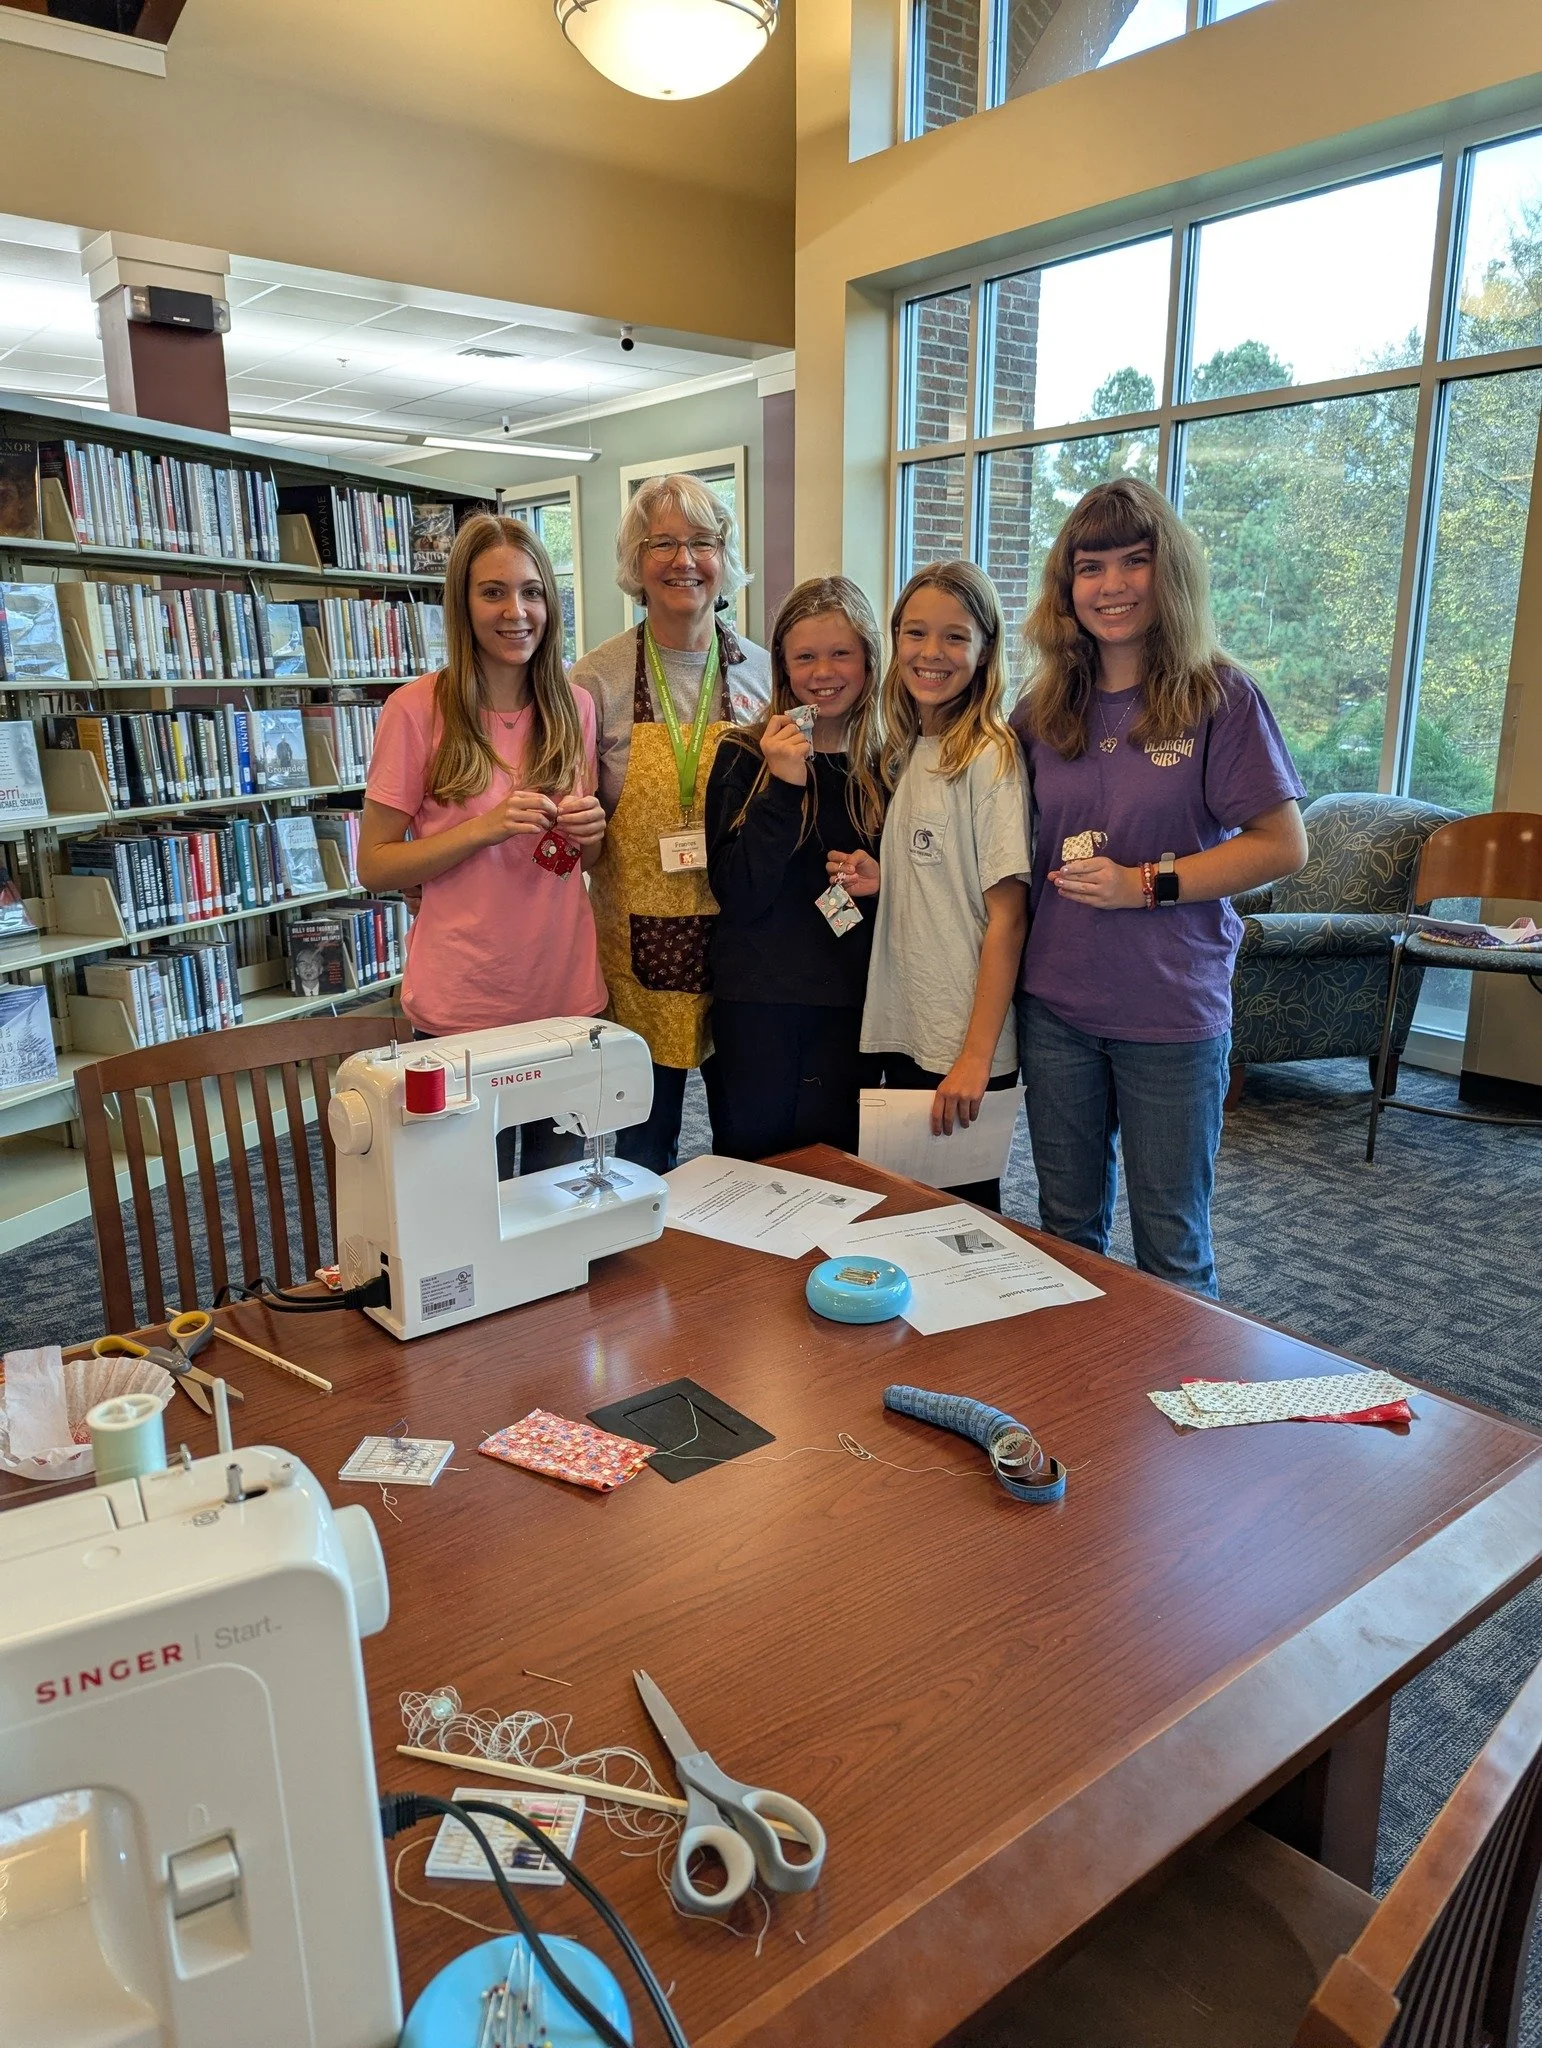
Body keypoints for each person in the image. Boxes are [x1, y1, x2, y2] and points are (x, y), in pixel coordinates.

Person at [1011, 477, 1308, 1298]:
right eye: (1091, 566)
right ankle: (1085, 1416)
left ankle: (1184, 1418)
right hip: (1057, 1010)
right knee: (1065, 1237)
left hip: (1170, 1014)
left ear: (1167, 572)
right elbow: (998, 848)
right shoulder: (1040, 713)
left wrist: (1146, 884)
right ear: (1066, 586)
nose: (1112, 586)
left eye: (1134, 562)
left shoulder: (1219, 695)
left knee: (1171, 1252)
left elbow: (1282, 844)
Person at [357, 511, 606, 1180]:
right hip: (463, 1010)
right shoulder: (415, 709)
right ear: (462, 605)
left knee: (557, 1201)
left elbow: (563, 864)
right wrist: (485, 827)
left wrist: (589, 836)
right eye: (493, 592)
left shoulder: (573, 706)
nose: (515, 611)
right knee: (469, 1212)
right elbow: (374, 865)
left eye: (531, 591)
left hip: (564, 995)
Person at [569, 475, 771, 1173]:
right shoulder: (592, 682)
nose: (685, 560)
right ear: (635, 561)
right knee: (638, 1151)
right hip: (637, 951)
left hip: (742, 944)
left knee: (747, 1147)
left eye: (703, 542)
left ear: (725, 558)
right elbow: (575, 830)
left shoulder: (764, 677)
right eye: (663, 543)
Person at [843, 560, 1030, 1211]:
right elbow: (944, 874)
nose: (931, 653)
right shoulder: (913, 748)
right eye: (916, 633)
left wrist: (976, 1056)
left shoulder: (990, 756)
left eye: (954, 636)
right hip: (911, 1025)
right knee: (913, 1215)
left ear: (984, 650)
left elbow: (1008, 917)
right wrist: (883, 878)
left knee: (962, 1228)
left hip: (958, 1043)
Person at [704, 576, 887, 1159]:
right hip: (758, 1001)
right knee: (751, 1169)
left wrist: (883, 879)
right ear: (782, 664)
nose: (822, 672)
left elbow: (913, 887)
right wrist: (783, 788)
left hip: (850, 1001)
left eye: (841, 653)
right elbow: (738, 893)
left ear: (868, 659)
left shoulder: (887, 762)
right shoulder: (743, 754)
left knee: (839, 1170)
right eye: (804, 656)